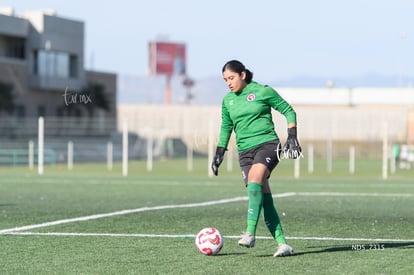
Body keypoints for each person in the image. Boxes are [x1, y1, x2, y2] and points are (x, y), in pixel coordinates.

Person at [211, 60, 302, 257]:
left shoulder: (262, 91)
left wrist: (292, 136)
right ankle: (283, 244)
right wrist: (219, 152)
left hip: (268, 145)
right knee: (264, 197)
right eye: (225, 79)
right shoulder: (228, 101)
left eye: (231, 77)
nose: (228, 82)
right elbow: (226, 126)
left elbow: (288, 110)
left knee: (254, 179)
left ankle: (250, 232)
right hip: (245, 152)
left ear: (243, 75)